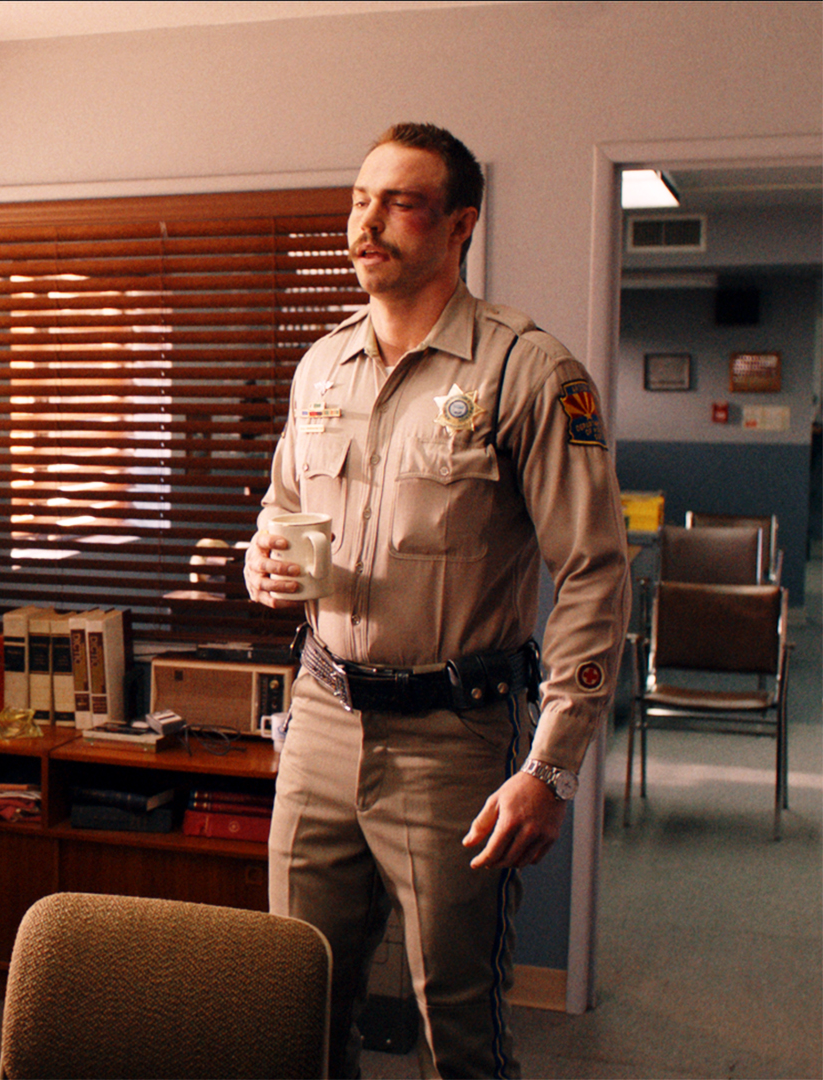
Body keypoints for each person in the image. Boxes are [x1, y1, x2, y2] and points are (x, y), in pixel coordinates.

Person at [245, 123, 630, 1079]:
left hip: (454, 738)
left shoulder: (528, 371)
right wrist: (263, 559)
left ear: (460, 225)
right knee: (295, 1002)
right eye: (359, 200)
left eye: (401, 203)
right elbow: (283, 507)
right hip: (322, 722)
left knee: (457, 1024)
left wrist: (553, 767)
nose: (367, 222)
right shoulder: (321, 366)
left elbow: (594, 573)